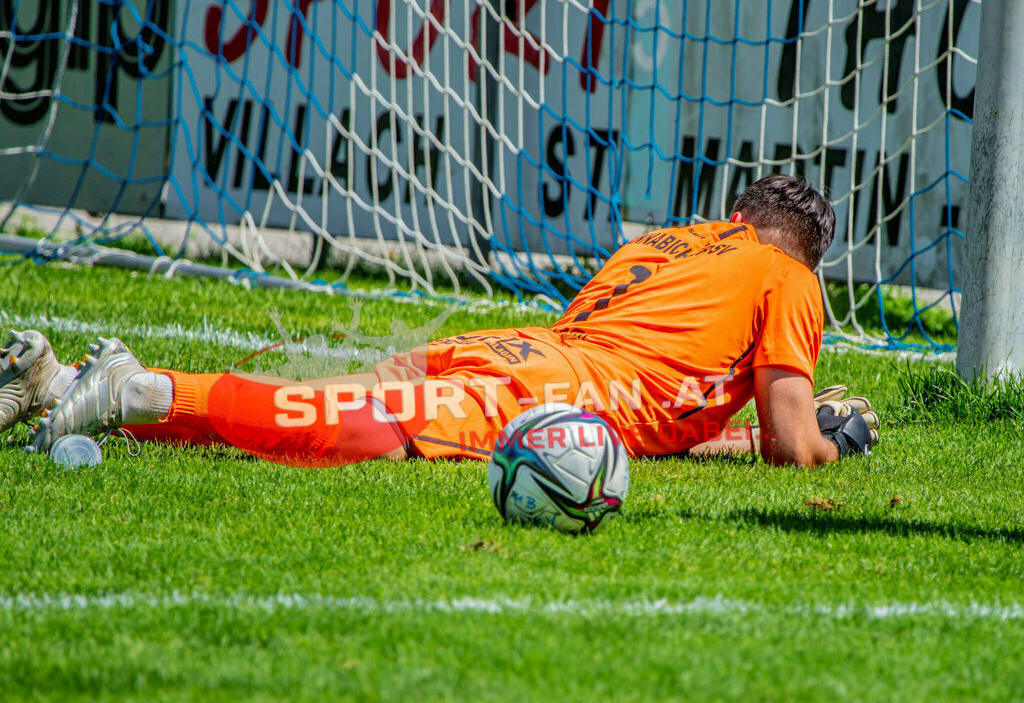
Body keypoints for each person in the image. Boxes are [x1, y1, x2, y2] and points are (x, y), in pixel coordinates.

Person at [0, 175, 878, 468]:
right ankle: (137, 386)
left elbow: (665, 408)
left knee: (309, 405)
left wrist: (733, 436)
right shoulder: (786, 274)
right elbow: (795, 447)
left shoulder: (669, 243)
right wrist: (834, 433)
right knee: (347, 434)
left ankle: (77, 389)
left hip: (530, 353)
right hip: (560, 388)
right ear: (803, 249)